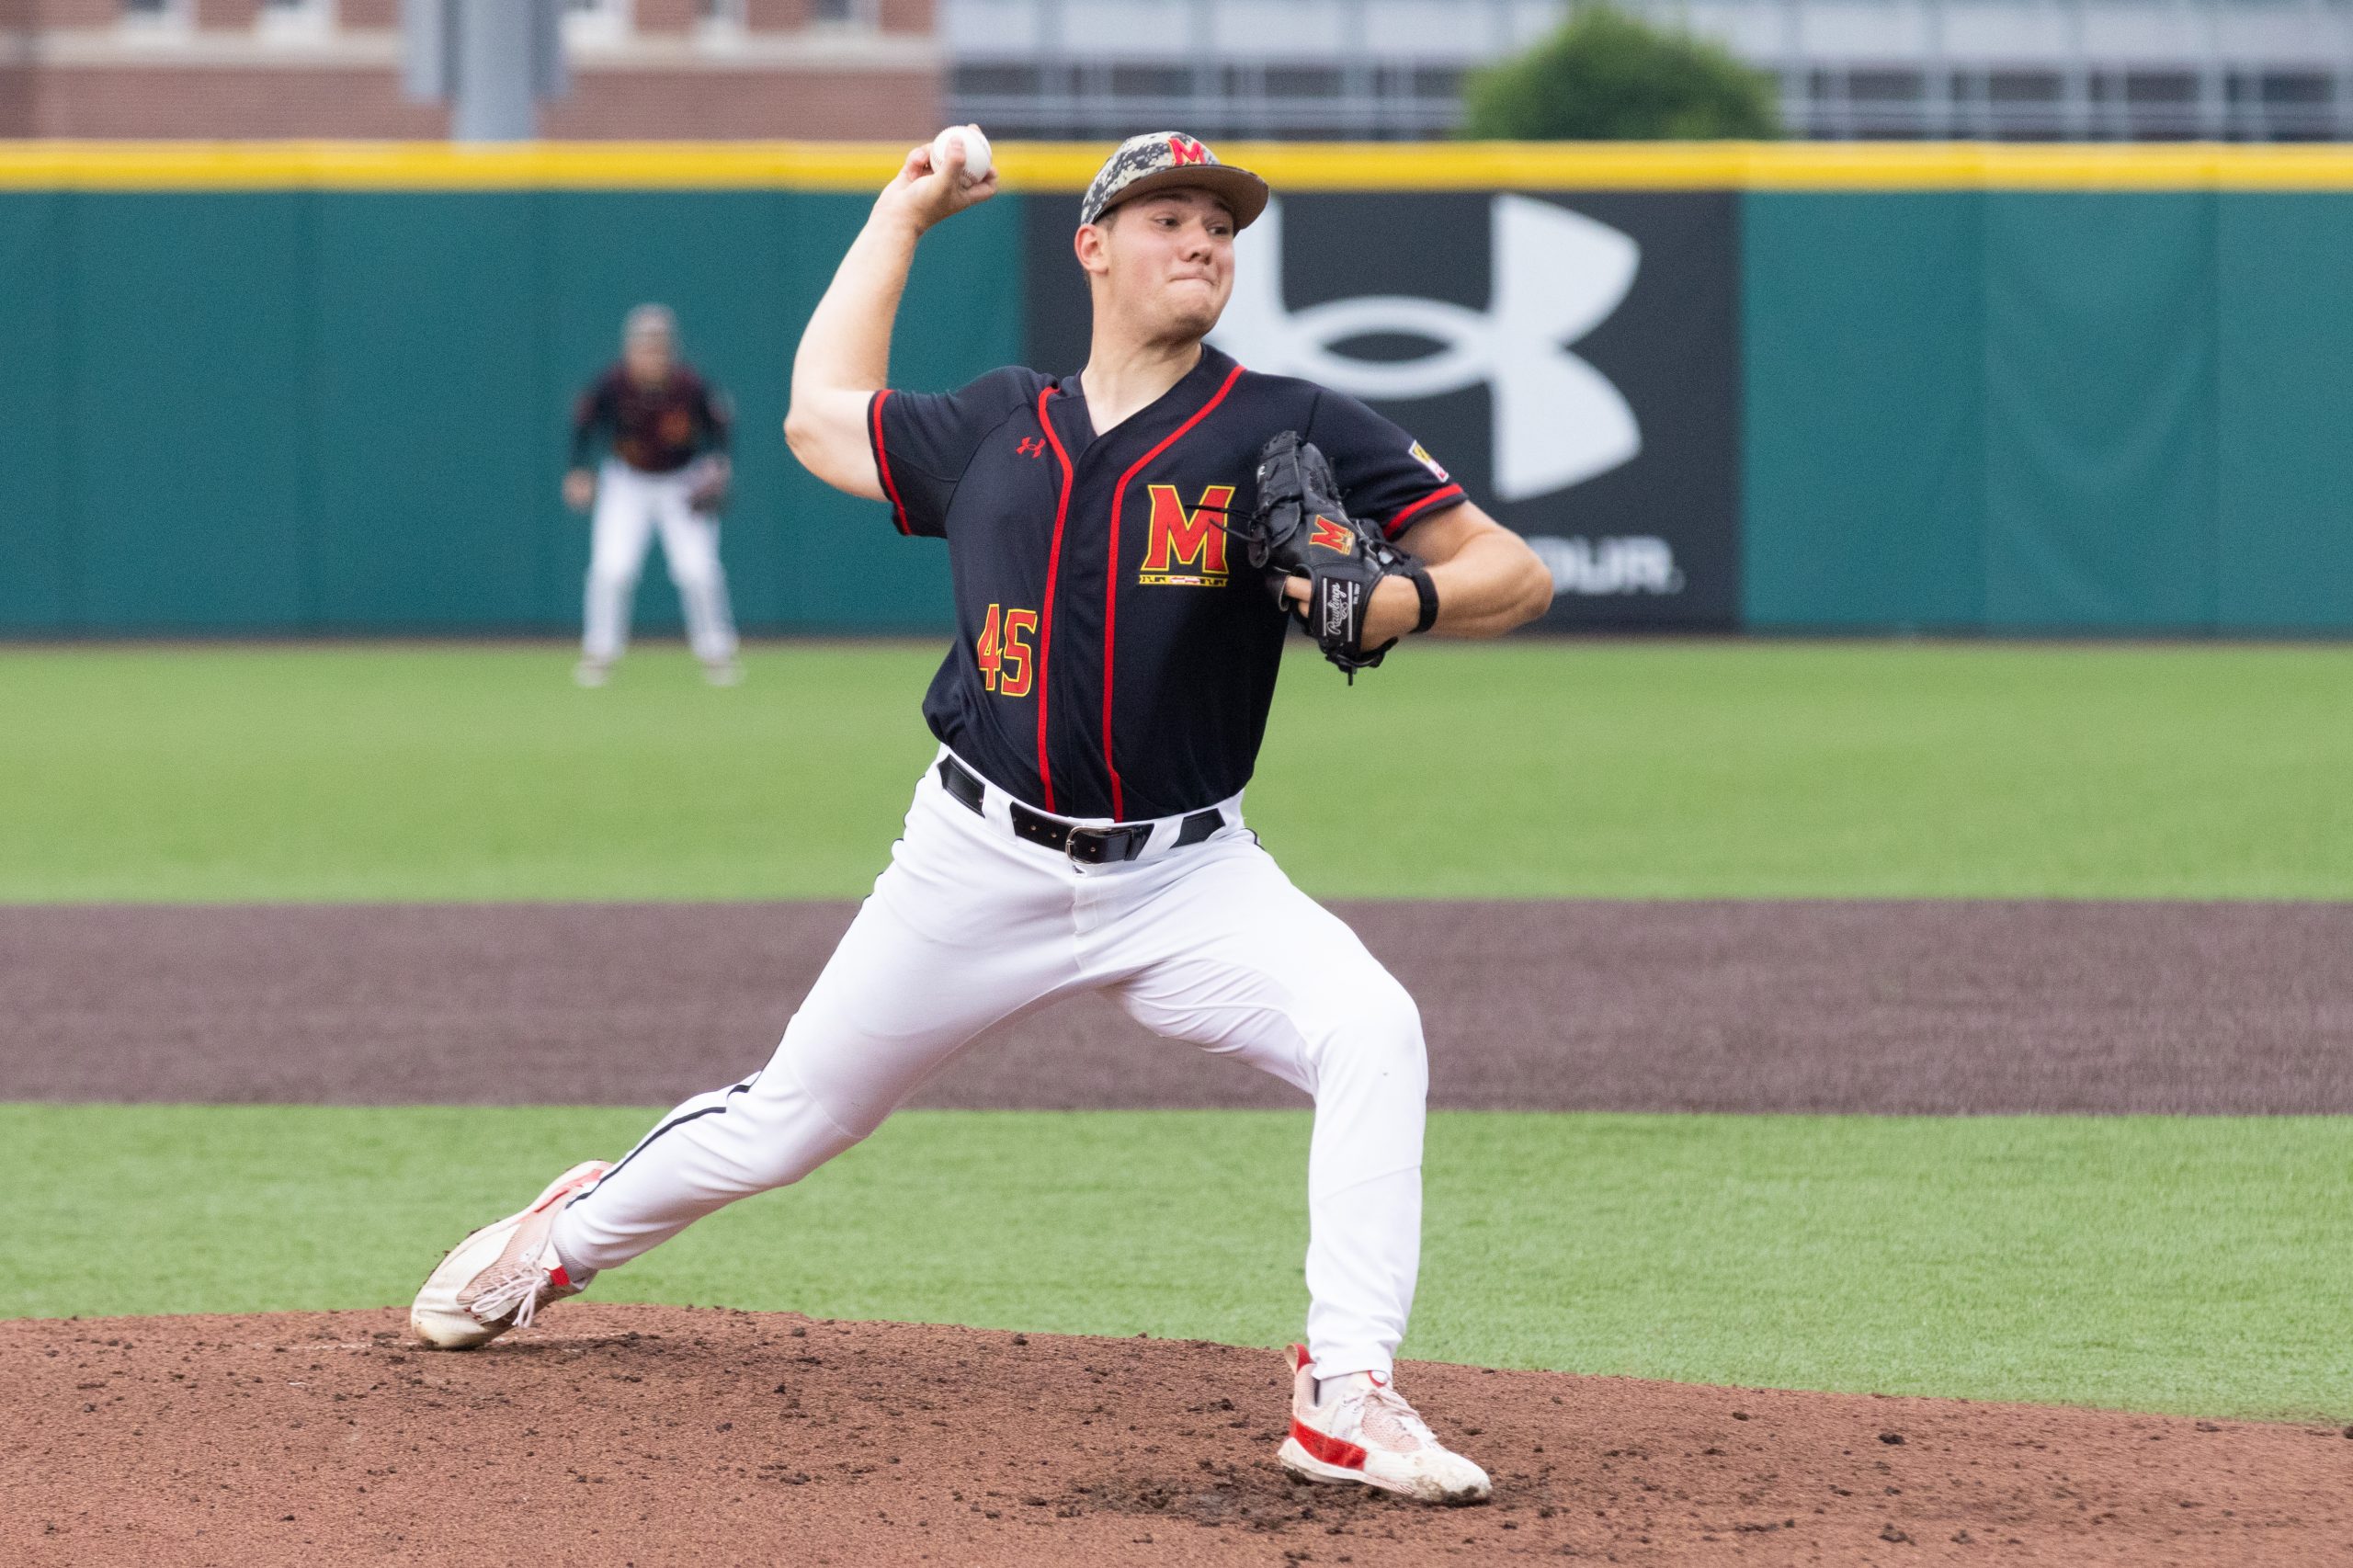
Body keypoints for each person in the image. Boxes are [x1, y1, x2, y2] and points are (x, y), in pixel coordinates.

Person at [414, 131, 1554, 1506]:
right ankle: (561, 1239)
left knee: (1374, 1027)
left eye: (1220, 225)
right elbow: (817, 412)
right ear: (1093, 247)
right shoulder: (996, 425)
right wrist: (904, 212)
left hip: (1190, 878)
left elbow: (1514, 567)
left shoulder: (1291, 423)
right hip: (974, 856)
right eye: (1168, 217)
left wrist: (1401, 600)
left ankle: (1344, 1391)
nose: (1202, 241)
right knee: (790, 1120)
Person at [566, 303, 741, 687]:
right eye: (644, 344)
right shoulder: (612, 384)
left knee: (698, 570)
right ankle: (600, 653)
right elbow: (584, 423)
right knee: (612, 569)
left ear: (670, 349)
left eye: (658, 345)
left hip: (682, 481)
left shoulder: (690, 386)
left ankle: (717, 652)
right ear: (630, 348)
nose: (651, 352)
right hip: (627, 482)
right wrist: (578, 469)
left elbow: (721, 428)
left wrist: (719, 465)